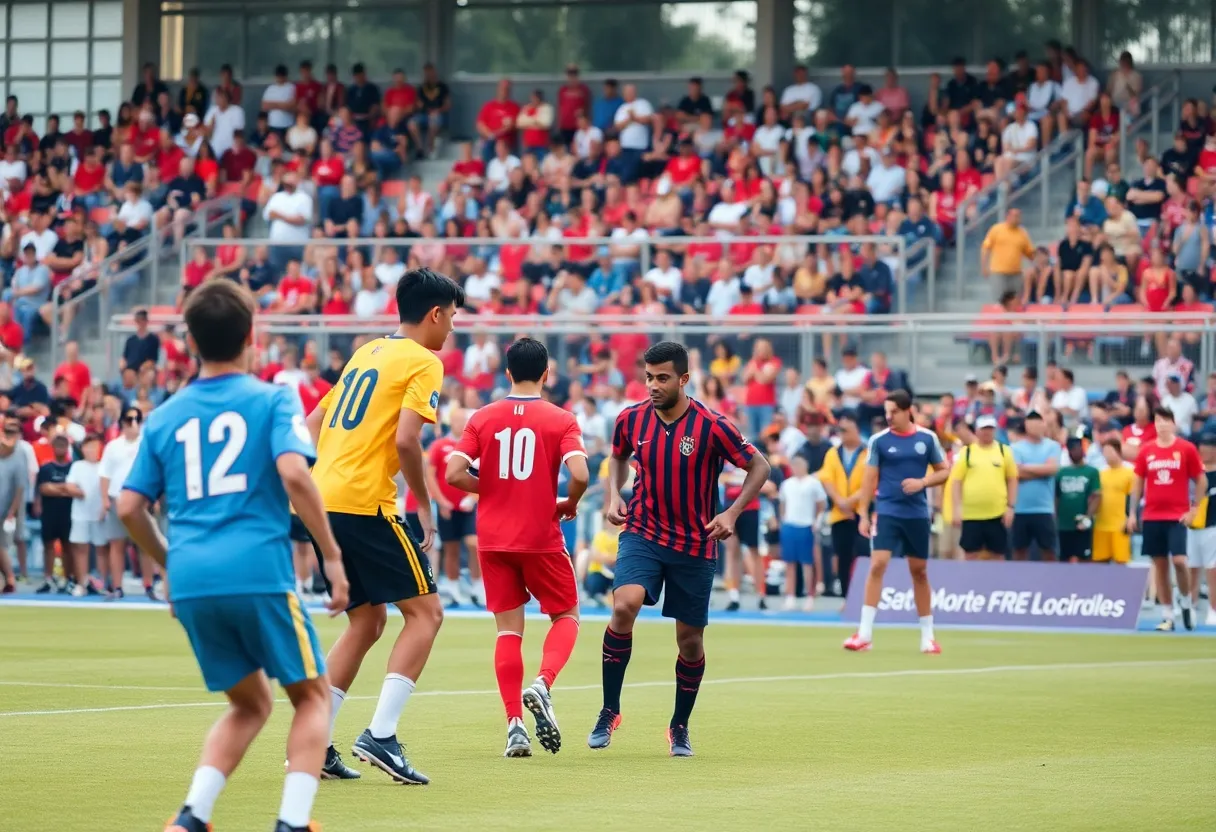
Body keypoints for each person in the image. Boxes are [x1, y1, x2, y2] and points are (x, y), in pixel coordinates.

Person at [117, 279, 348, 832]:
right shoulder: (272, 398)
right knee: (313, 696)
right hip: (258, 570)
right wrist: (332, 558)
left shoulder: (165, 415)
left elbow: (128, 506)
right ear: (252, 335)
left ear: (190, 342)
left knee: (249, 704)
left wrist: (169, 561)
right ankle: (293, 823)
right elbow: (295, 471)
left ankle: (192, 817)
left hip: (193, 579)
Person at [305, 267, 464, 785]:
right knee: (427, 614)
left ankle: (313, 744)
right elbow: (405, 441)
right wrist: (423, 502)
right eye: (453, 318)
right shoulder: (424, 361)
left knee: (368, 620)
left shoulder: (367, 352)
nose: (452, 330)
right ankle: (381, 735)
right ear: (436, 314)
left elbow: (312, 424)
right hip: (364, 501)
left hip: (322, 495)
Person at [589, 341, 769, 756]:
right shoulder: (630, 419)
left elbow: (760, 465)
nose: (653, 385)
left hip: (695, 543)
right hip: (644, 532)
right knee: (623, 606)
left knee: (689, 641)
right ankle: (609, 709)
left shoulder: (713, 425)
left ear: (684, 379)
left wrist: (732, 513)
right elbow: (618, 457)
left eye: (662, 378)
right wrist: (614, 495)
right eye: (648, 377)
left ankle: (679, 725)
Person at [444, 337, 589, 757]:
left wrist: (490, 488)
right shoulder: (561, 419)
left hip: (494, 539)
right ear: (547, 374)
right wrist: (569, 502)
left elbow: (455, 473)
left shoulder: (483, 417)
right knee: (567, 614)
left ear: (506, 373)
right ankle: (543, 683)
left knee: (508, 630)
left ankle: (514, 726)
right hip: (539, 536)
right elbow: (579, 471)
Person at [846, 390, 949, 653]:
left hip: (916, 514)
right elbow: (869, 479)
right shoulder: (879, 441)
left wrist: (923, 482)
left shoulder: (927, 438)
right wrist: (864, 514)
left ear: (907, 410)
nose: (888, 417)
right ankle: (865, 634)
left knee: (919, 571)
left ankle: (928, 637)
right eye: (886, 412)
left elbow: (945, 471)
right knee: (878, 564)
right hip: (888, 511)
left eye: (893, 411)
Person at [1127, 407, 1203, 631]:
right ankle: (1167, 614)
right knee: (1159, 565)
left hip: (1177, 516)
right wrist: (1132, 513)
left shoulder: (1185, 449)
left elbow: (1200, 480)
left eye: (1166, 420)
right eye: (1158, 420)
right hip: (1152, 514)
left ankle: (1187, 601)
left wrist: (1194, 509)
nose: (1162, 424)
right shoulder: (1147, 450)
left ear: (1173, 423)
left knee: (1179, 561)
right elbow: (1138, 482)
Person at [427, 407, 482, 608]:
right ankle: (453, 585)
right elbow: (431, 475)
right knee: (451, 548)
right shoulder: (440, 446)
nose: (461, 424)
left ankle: (477, 585)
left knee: (473, 543)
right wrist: (440, 501)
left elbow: (483, 474)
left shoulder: (474, 446)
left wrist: (473, 497)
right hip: (447, 506)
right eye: (458, 420)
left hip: (468, 506)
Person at [951, 414, 1017, 560]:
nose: (987, 432)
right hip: (971, 514)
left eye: (990, 428)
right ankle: (970, 582)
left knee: (997, 554)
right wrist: (957, 508)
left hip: (997, 514)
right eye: (984, 428)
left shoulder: (1004, 451)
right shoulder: (966, 452)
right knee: (970, 554)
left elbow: (1012, 479)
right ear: (977, 431)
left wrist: (1010, 507)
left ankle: (997, 583)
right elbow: (956, 482)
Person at [816, 412, 868, 596]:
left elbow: (871, 482)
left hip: (862, 514)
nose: (843, 434)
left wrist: (851, 501)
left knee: (863, 555)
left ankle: (863, 597)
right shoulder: (833, 453)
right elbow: (827, 478)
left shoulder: (867, 452)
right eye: (841, 430)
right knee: (842, 557)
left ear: (857, 430)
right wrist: (840, 501)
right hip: (839, 514)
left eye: (846, 430)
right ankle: (847, 596)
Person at [98, 406, 145, 599]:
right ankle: (117, 586)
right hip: (117, 497)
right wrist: (104, 499)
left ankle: (149, 585)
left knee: (145, 545)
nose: (132, 424)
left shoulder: (146, 444)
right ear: (122, 423)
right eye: (128, 419)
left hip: (141, 499)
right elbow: (104, 473)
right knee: (117, 544)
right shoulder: (113, 446)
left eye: (136, 419)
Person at [777, 454, 827, 611]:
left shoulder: (813, 483)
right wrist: (783, 520)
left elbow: (821, 504)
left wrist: (817, 521)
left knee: (807, 563)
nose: (797, 468)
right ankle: (790, 595)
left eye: (800, 465)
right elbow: (782, 503)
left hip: (806, 525)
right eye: (794, 465)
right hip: (790, 525)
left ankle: (809, 595)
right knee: (789, 563)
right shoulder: (787, 484)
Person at [1011, 411, 1061, 561]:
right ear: (1026, 426)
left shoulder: (1053, 446)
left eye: (1039, 422)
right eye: (1031, 423)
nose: (1036, 426)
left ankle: (1051, 581)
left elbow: (1052, 469)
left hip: (1044, 508)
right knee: (1019, 550)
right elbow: (1015, 473)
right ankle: (1018, 582)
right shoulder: (1015, 448)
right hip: (1020, 509)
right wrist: (1041, 470)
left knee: (1049, 551)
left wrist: (1024, 468)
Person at [64, 434, 106, 597]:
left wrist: (104, 505)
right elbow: (69, 486)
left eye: (95, 446)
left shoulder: (104, 466)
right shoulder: (77, 466)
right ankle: (82, 583)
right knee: (81, 548)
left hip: (100, 513)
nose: (91, 450)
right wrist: (76, 491)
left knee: (102, 549)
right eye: (88, 447)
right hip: (80, 514)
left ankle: (101, 583)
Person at [34, 431, 76, 594]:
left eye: (63, 445)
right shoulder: (45, 468)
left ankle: (67, 578)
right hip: (50, 512)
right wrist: (64, 488)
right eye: (57, 445)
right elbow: (43, 489)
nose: (60, 448)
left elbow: (74, 489)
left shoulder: (73, 467)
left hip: (68, 511)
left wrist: (55, 488)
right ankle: (48, 578)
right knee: (48, 545)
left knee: (67, 545)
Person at [1055, 437, 1102, 563]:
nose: (1075, 452)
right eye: (1072, 450)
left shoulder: (1091, 472)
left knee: (1083, 558)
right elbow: (1056, 497)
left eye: (1078, 449)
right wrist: (1055, 517)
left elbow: (1096, 495)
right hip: (1064, 524)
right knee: (1064, 559)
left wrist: (1088, 517)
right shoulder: (1061, 473)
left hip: (1082, 522)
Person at [1187, 433, 1216, 626]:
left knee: (1212, 570)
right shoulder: (1194, 474)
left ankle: (1213, 610)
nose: (1203, 453)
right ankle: (1191, 607)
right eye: (1201, 450)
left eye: (1208, 449)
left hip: (1213, 527)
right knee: (1192, 569)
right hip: (1193, 527)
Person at [1093, 437, 1134, 566]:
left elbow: (1132, 498)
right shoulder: (1100, 473)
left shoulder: (1130, 472)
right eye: (1104, 452)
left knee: (1121, 562)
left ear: (1118, 451)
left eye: (1110, 451)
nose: (1107, 455)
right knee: (1100, 562)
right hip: (1101, 525)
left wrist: (1129, 518)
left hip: (1120, 525)